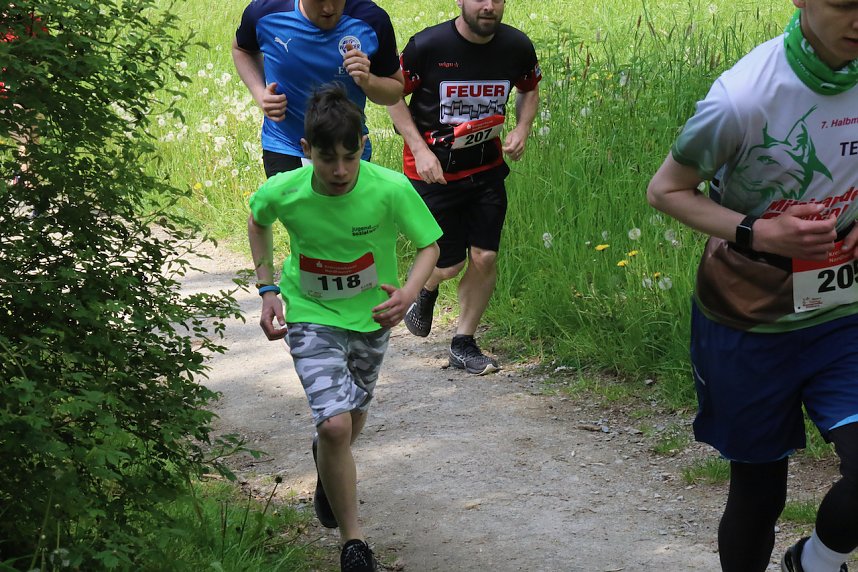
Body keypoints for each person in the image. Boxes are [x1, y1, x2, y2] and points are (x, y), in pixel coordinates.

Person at [647, 2, 858, 570]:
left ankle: (814, 563)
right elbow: (665, 191)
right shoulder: (742, 98)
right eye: (845, 3)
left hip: (843, 311)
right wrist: (758, 231)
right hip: (749, 318)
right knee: (760, 493)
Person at [247, 84, 441, 572]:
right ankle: (354, 544)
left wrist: (408, 293)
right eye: (327, 158)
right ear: (306, 150)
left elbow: (430, 247)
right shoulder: (285, 189)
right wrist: (267, 288)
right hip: (310, 315)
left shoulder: (389, 188)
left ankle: (328, 466)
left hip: (372, 319)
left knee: (350, 421)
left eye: (350, 157)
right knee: (334, 424)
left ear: (363, 147)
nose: (339, 170)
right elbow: (257, 219)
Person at [387, 0, 540, 375]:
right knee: (450, 263)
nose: (488, 6)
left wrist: (522, 128)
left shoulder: (517, 46)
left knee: (485, 257)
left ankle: (463, 343)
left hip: (486, 169)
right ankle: (425, 288)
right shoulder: (428, 46)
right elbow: (392, 94)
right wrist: (419, 150)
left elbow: (529, 87)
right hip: (432, 173)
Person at [233, 0, 403, 178]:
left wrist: (368, 80)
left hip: (346, 153)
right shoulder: (265, 13)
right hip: (285, 146)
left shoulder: (371, 20)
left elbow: (395, 92)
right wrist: (260, 94)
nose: (329, 8)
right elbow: (242, 49)